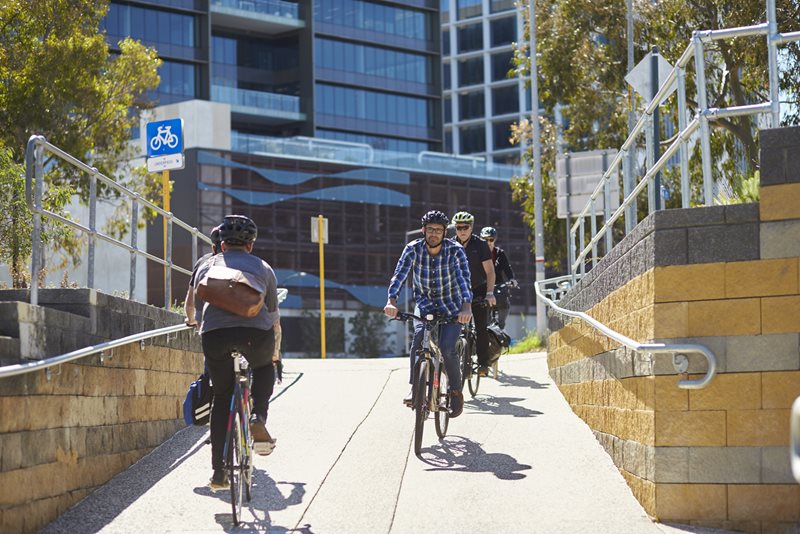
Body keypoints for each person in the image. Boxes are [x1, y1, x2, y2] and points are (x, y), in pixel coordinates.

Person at [189, 214, 280, 490]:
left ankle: (218, 472)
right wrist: (275, 353)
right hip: (255, 336)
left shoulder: (207, 266)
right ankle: (257, 417)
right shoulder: (264, 268)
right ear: (250, 245)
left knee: (222, 395)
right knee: (264, 368)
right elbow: (274, 317)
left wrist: (203, 325)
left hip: (215, 336)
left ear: (223, 245)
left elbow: (195, 308)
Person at [384, 210, 472, 418]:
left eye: (439, 230)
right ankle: (415, 389)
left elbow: (463, 279)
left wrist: (466, 307)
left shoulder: (455, 250)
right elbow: (400, 275)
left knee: (447, 347)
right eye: (430, 229)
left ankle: (456, 391)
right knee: (417, 343)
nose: (434, 234)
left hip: (451, 307)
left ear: (444, 233)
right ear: (423, 230)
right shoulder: (413, 249)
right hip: (424, 306)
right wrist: (391, 300)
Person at [450, 211, 496, 376]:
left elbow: (490, 272)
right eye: (458, 227)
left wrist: (490, 292)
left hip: (478, 289)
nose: (462, 230)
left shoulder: (480, 245)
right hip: (457, 292)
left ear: (471, 227)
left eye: (465, 227)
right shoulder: (449, 244)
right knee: (452, 327)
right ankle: (461, 363)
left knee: (480, 327)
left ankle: (483, 363)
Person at [480, 226, 518, 330]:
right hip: (482, 285)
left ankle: (501, 325)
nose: (488, 242)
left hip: (498, 285)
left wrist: (512, 279)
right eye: (485, 240)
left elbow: (507, 268)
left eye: (491, 239)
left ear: (495, 240)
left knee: (504, 302)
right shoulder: (478, 253)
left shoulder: (499, 253)